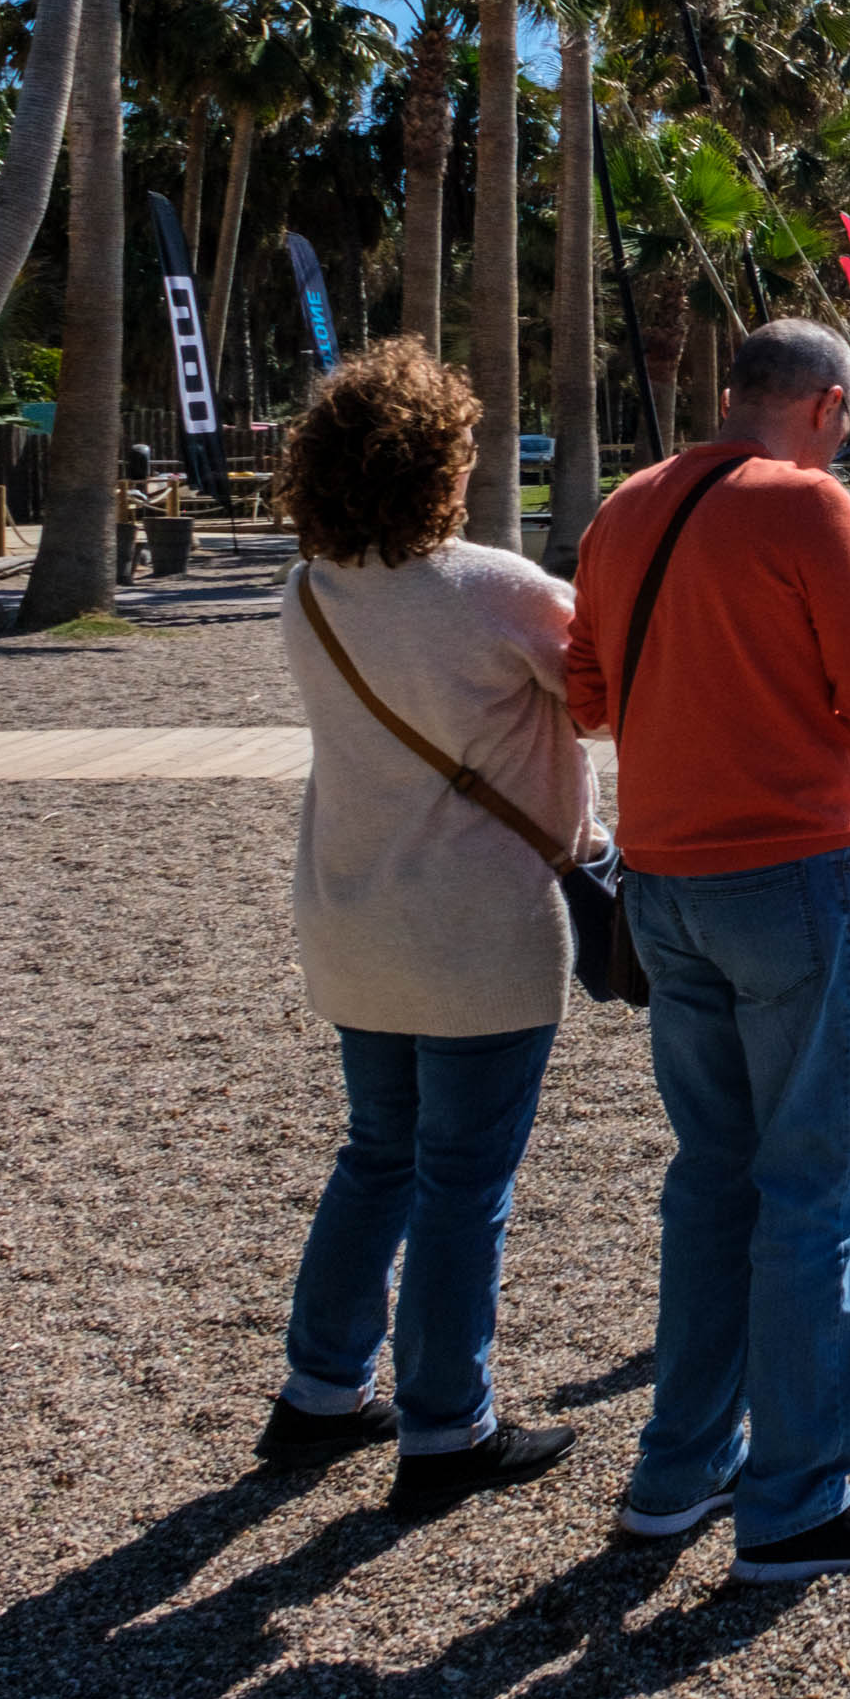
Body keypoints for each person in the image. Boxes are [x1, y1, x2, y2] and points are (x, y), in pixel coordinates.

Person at [566, 319, 850, 1583]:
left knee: (714, 1179)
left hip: (666, 881)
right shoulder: (811, 507)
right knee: (815, 1194)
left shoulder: (626, 509)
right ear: (829, 407)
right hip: (792, 875)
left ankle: (680, 1471)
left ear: (737, 392)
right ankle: (796, 1501)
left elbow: (589, 695)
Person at [257, 339, 589, 1519]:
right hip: (480, 925)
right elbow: (598, 691)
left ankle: (321, 1388)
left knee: (377, 1154)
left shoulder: (308, 591)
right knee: (462, 1181)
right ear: (440, 462)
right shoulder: (495, 589)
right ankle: (449, 1424)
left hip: (350, 914)